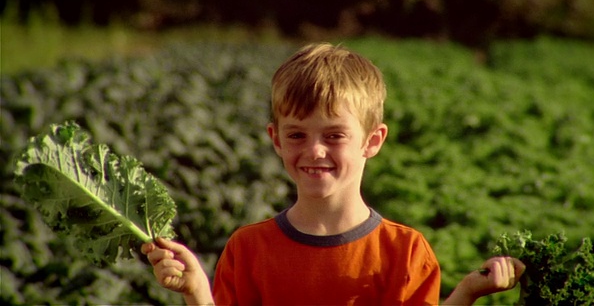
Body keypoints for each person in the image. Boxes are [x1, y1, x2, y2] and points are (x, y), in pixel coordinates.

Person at [142, 43, 525, 305]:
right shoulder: (247, 250)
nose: (314, 151)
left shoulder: (404, 253)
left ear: (372, 141)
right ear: (275, 139)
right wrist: (196, 292)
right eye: (296, 134)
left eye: (334, 135)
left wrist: (468, 293)